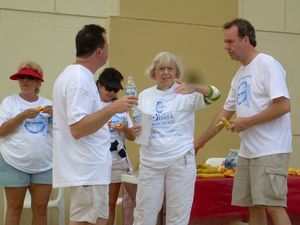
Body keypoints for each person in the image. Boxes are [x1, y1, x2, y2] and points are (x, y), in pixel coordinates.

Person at [195, 18, 292, 225]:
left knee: (274, 205)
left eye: (230, 42)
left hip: (271, 149)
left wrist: (247, 122)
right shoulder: (239, 75)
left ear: (245, 40)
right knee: (253, 206)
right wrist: (199, 143)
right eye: (225, 42)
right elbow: (224, 114)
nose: (225, 47)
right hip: (248, 152)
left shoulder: (267, 64)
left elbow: (283, 105)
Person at [52, 24, 137, 225]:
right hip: (87, 169)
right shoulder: (79, 78)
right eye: (107, 44)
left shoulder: (78, 76)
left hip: (92, 169)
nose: (109, 48)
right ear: (100, 50)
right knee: (85, 221)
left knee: (98, 219)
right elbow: (78, 128)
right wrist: (113, 108)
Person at [131, 51, 221, 225]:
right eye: (161, 68)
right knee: (144, 214)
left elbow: (215, 94)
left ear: (176, 72)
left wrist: (194, 87)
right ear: (154, 72)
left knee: (178, 216)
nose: (165, 72)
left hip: (180, 161)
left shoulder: (186, 92)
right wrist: (135, 130)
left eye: (170, 69)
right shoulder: (144, 96)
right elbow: (140, 129)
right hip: (151, 163)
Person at [0, 61, 53, 225]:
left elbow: (64, 133)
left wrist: (57, 116)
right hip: (13, 162)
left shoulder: (48, 103)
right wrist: (21, 116)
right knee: (14, 208)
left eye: (30, 78)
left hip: (44, 164)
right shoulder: (10, 102)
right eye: (21, 77)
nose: (25, 81)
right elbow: (1, 131)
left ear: (38, 82)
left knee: (41, 209)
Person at [96, 67, 135, 225]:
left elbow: (132, 136)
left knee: (110, 203)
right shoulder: (91, 102)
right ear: (99, 85)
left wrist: (123, 128)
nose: (111, 92)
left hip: (116, 159)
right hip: (95, 159)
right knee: (95, 204)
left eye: (115, 89)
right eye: (108, 88)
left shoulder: (122, 107)